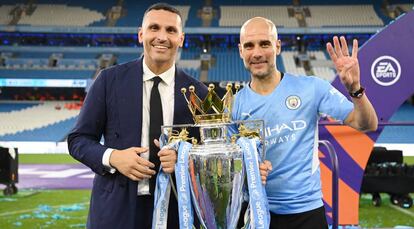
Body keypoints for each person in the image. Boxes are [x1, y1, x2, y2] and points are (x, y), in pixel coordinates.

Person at [67, 3, 208, 229]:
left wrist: (185, 159)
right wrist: (113, 157)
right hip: (116, 210)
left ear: (181, 38)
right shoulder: (108, 81)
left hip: (175, 211)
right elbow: (78, 140)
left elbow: (207, 152)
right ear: (141, 34)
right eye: (154, 28)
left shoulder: (199, 93)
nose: (162, 37)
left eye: (171, 30)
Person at [232, 17, 378, 229]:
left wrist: (355, 88)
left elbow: (367, 124)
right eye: (249, 46)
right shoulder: (233, 105)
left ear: (278, 46)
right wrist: (247, 170)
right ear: (240, 51)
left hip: (307, 214)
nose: (257, 53)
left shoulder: (311, 88)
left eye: (265, 44)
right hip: (255, 214)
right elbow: (228, 168)